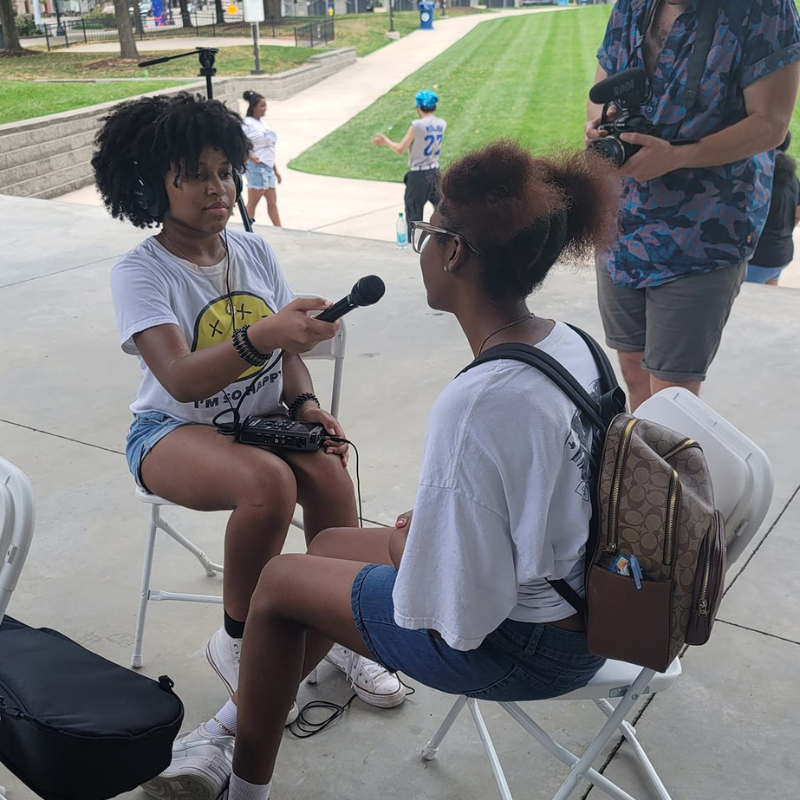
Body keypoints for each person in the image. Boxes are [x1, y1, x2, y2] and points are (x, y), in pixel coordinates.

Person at [141, 140, 617, 800]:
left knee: (279, 584)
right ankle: (232, 726)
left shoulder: (478, 400)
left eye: (429, 228)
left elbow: (459, 613)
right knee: (330, 547)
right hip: (590, 606)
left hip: (524, 648)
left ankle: (244, 785)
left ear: (452, 253)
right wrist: (428, 536)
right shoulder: (572, 343)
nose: (422, 242)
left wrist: (406, 545)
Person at [91, 92, 406, 724]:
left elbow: (286, 352)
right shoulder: (143, 273)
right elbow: (180, 379)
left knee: (327, 473)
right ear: (152, 183)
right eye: (196, 176)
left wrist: (307, 403)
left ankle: (338, 627)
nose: (219, 188)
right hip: (170, 433)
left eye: (226, 172)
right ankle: (239, 641)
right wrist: (262, 334)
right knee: (268, 483)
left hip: (260, 426)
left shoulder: (254, 251)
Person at [587, 0, 800, 411]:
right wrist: (598, 126)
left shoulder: (765, 9)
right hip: (621, 224)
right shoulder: (631, 6)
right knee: (632, 371)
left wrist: (678, 155)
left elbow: (771, 123)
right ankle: (641, 472)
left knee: (673, 395)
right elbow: (601, 90)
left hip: (703, 233)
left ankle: (671, 474)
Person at [372, 89, 447, 236]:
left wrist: (386, 141)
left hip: (418, 175)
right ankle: (444, 241)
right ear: (434, 106)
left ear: (419, 107)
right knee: (442, 210)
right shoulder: (442, 124)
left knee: (413, 213)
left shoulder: (417, 125)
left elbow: (400, 148)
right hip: (435, 172)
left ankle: (414, 244)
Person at [747, 132, 800, 286]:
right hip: (782, 253)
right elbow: (798, 212)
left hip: (757, 257)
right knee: (768, 297)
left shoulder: (757, 173)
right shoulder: (792, 177)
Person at [241, 91, 282, 228]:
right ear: (254, 108)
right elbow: (239, 144)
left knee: (272, 201)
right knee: (253, 202)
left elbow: (268, 147)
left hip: (268, 167)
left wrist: (275, 171)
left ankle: (279, 229)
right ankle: (248, 229)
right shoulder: (247, 124)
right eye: (262, 106)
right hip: (256, 168)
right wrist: (250, 157)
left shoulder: (263, 124)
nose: (265, 108)